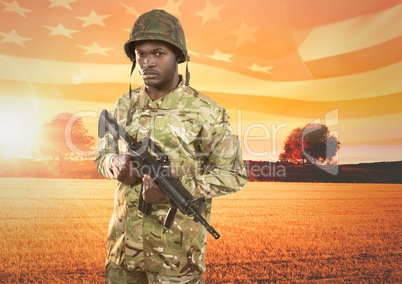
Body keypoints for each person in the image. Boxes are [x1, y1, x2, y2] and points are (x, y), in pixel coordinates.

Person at [94, 9, 248, 283]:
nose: (147, 63)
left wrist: (180, 189)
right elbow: (102, 157)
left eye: (158, 53)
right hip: (122, 255)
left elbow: (234, 175)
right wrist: (115, 164)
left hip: (176, 261)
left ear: (178, 56)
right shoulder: (123, 105)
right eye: (140, 54)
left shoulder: (207, 112)